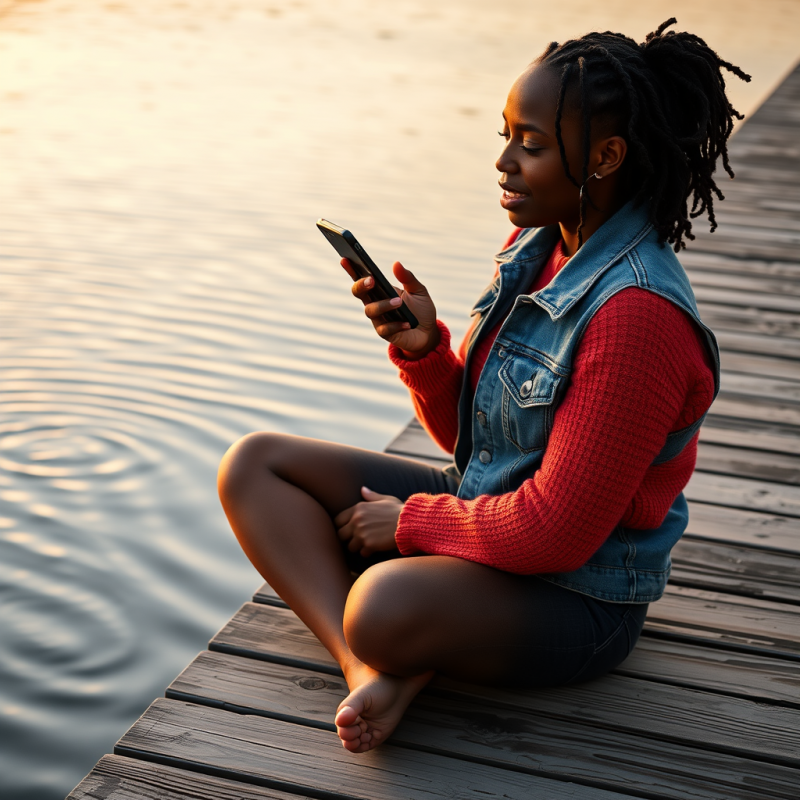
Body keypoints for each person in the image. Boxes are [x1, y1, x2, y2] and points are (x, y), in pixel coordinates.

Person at [217, 19, 749, 754]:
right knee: (255, 464)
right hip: (491, 515)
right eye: (506, 135)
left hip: (578, 597)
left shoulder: (638, 317)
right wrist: (425, 351)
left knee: (379, 602)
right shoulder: (536, 248)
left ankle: (385, 641)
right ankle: (368, 668)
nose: (504, 161)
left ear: (605, 157)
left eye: (530, 144)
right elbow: (481, 443)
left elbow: (557, 533)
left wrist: (408, 522)